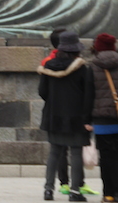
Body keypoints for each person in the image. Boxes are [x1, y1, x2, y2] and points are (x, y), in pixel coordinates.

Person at [84, 33, 118, 202]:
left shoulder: (92, 67)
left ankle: (109, 194)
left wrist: (86, 119)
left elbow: (88, 95)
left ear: (98, 47)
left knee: (107, 157)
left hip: (101, 119)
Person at [38, 30, 90, 202]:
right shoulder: (82, 68)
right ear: (76, 49)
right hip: (76, 116)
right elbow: (88, 94)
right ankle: (75, 192)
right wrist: (87, 118)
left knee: (54, 153)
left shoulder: (48, 66)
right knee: (75, 153)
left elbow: (42, 92)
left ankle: (48, 190)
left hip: (53, 115)